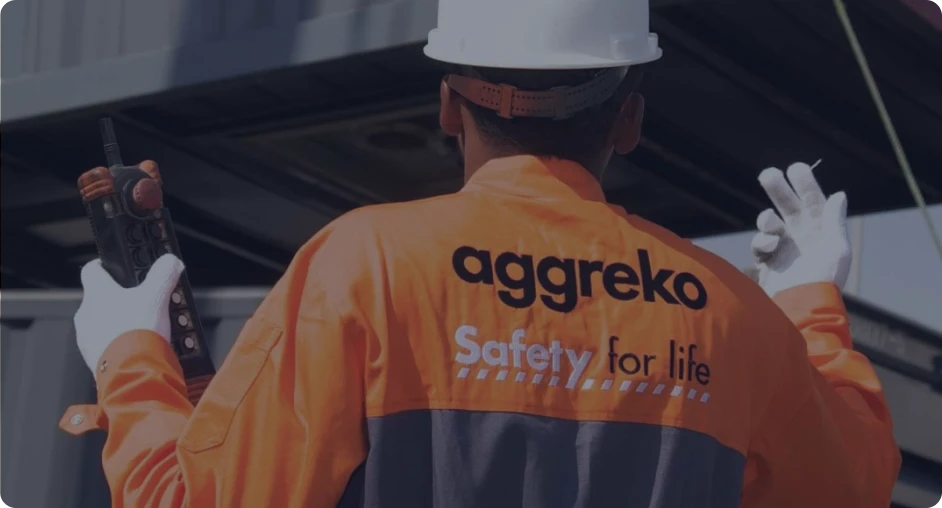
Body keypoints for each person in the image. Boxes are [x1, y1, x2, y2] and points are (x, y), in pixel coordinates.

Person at [60, 0, 900, 506]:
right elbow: (850, 489)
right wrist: (807, 302)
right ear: (631, 119)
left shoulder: (365, 266)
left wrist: (131, 355)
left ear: (447, 108)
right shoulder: (728, 310)